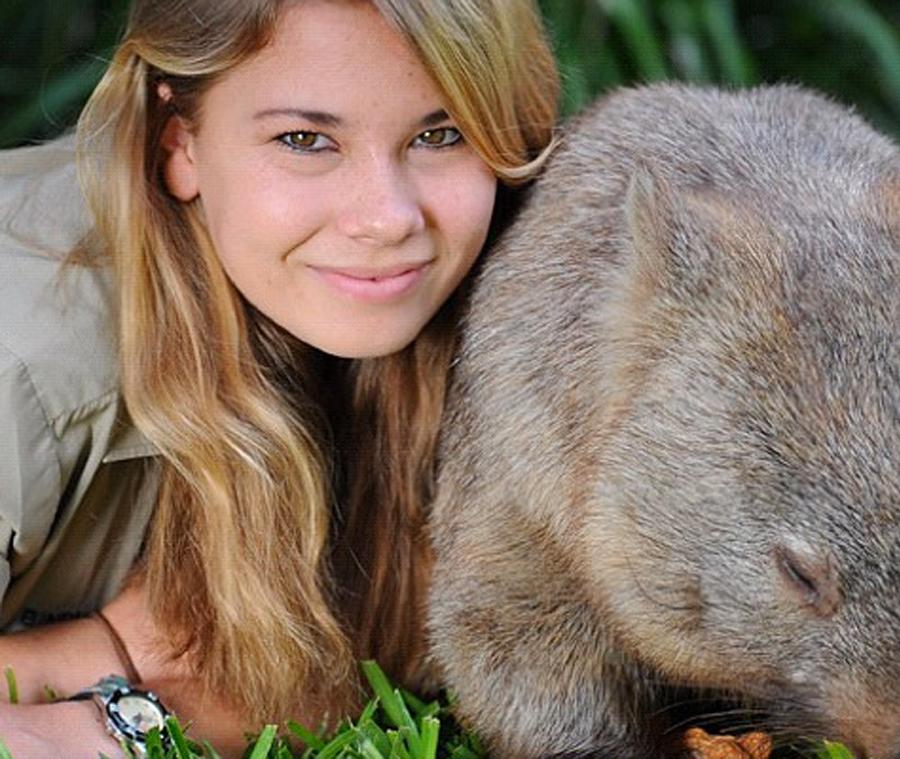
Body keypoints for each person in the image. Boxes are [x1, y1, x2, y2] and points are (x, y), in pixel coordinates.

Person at [0, 0, 558, 755]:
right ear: (178, 141)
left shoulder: (519, 284)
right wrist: (119, 698)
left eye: (441, 134)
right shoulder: (25, 357)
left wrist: (92, 654)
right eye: (305, 140)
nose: (387, 217)